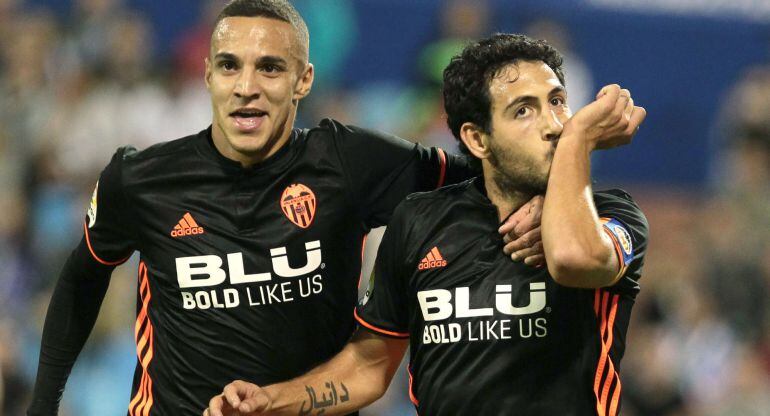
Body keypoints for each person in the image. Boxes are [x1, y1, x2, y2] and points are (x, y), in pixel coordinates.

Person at [25, 1, 544, 415]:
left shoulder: (350, 162)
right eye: (230, 66)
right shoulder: (140, 179)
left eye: (270, 68)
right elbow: (82, 278)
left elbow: (483, 173)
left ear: (304, 80)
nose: (246, 87)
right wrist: (43, 406)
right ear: (208, 75)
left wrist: (544, 199)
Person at [204, 33, 648, 416]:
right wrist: (268, 400)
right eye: (523, 111)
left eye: (557, 102)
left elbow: (573, 257)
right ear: (476, 138)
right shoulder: (420, 221)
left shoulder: (612, 215)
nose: (554, 125)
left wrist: (577, 142)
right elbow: (370, 365)